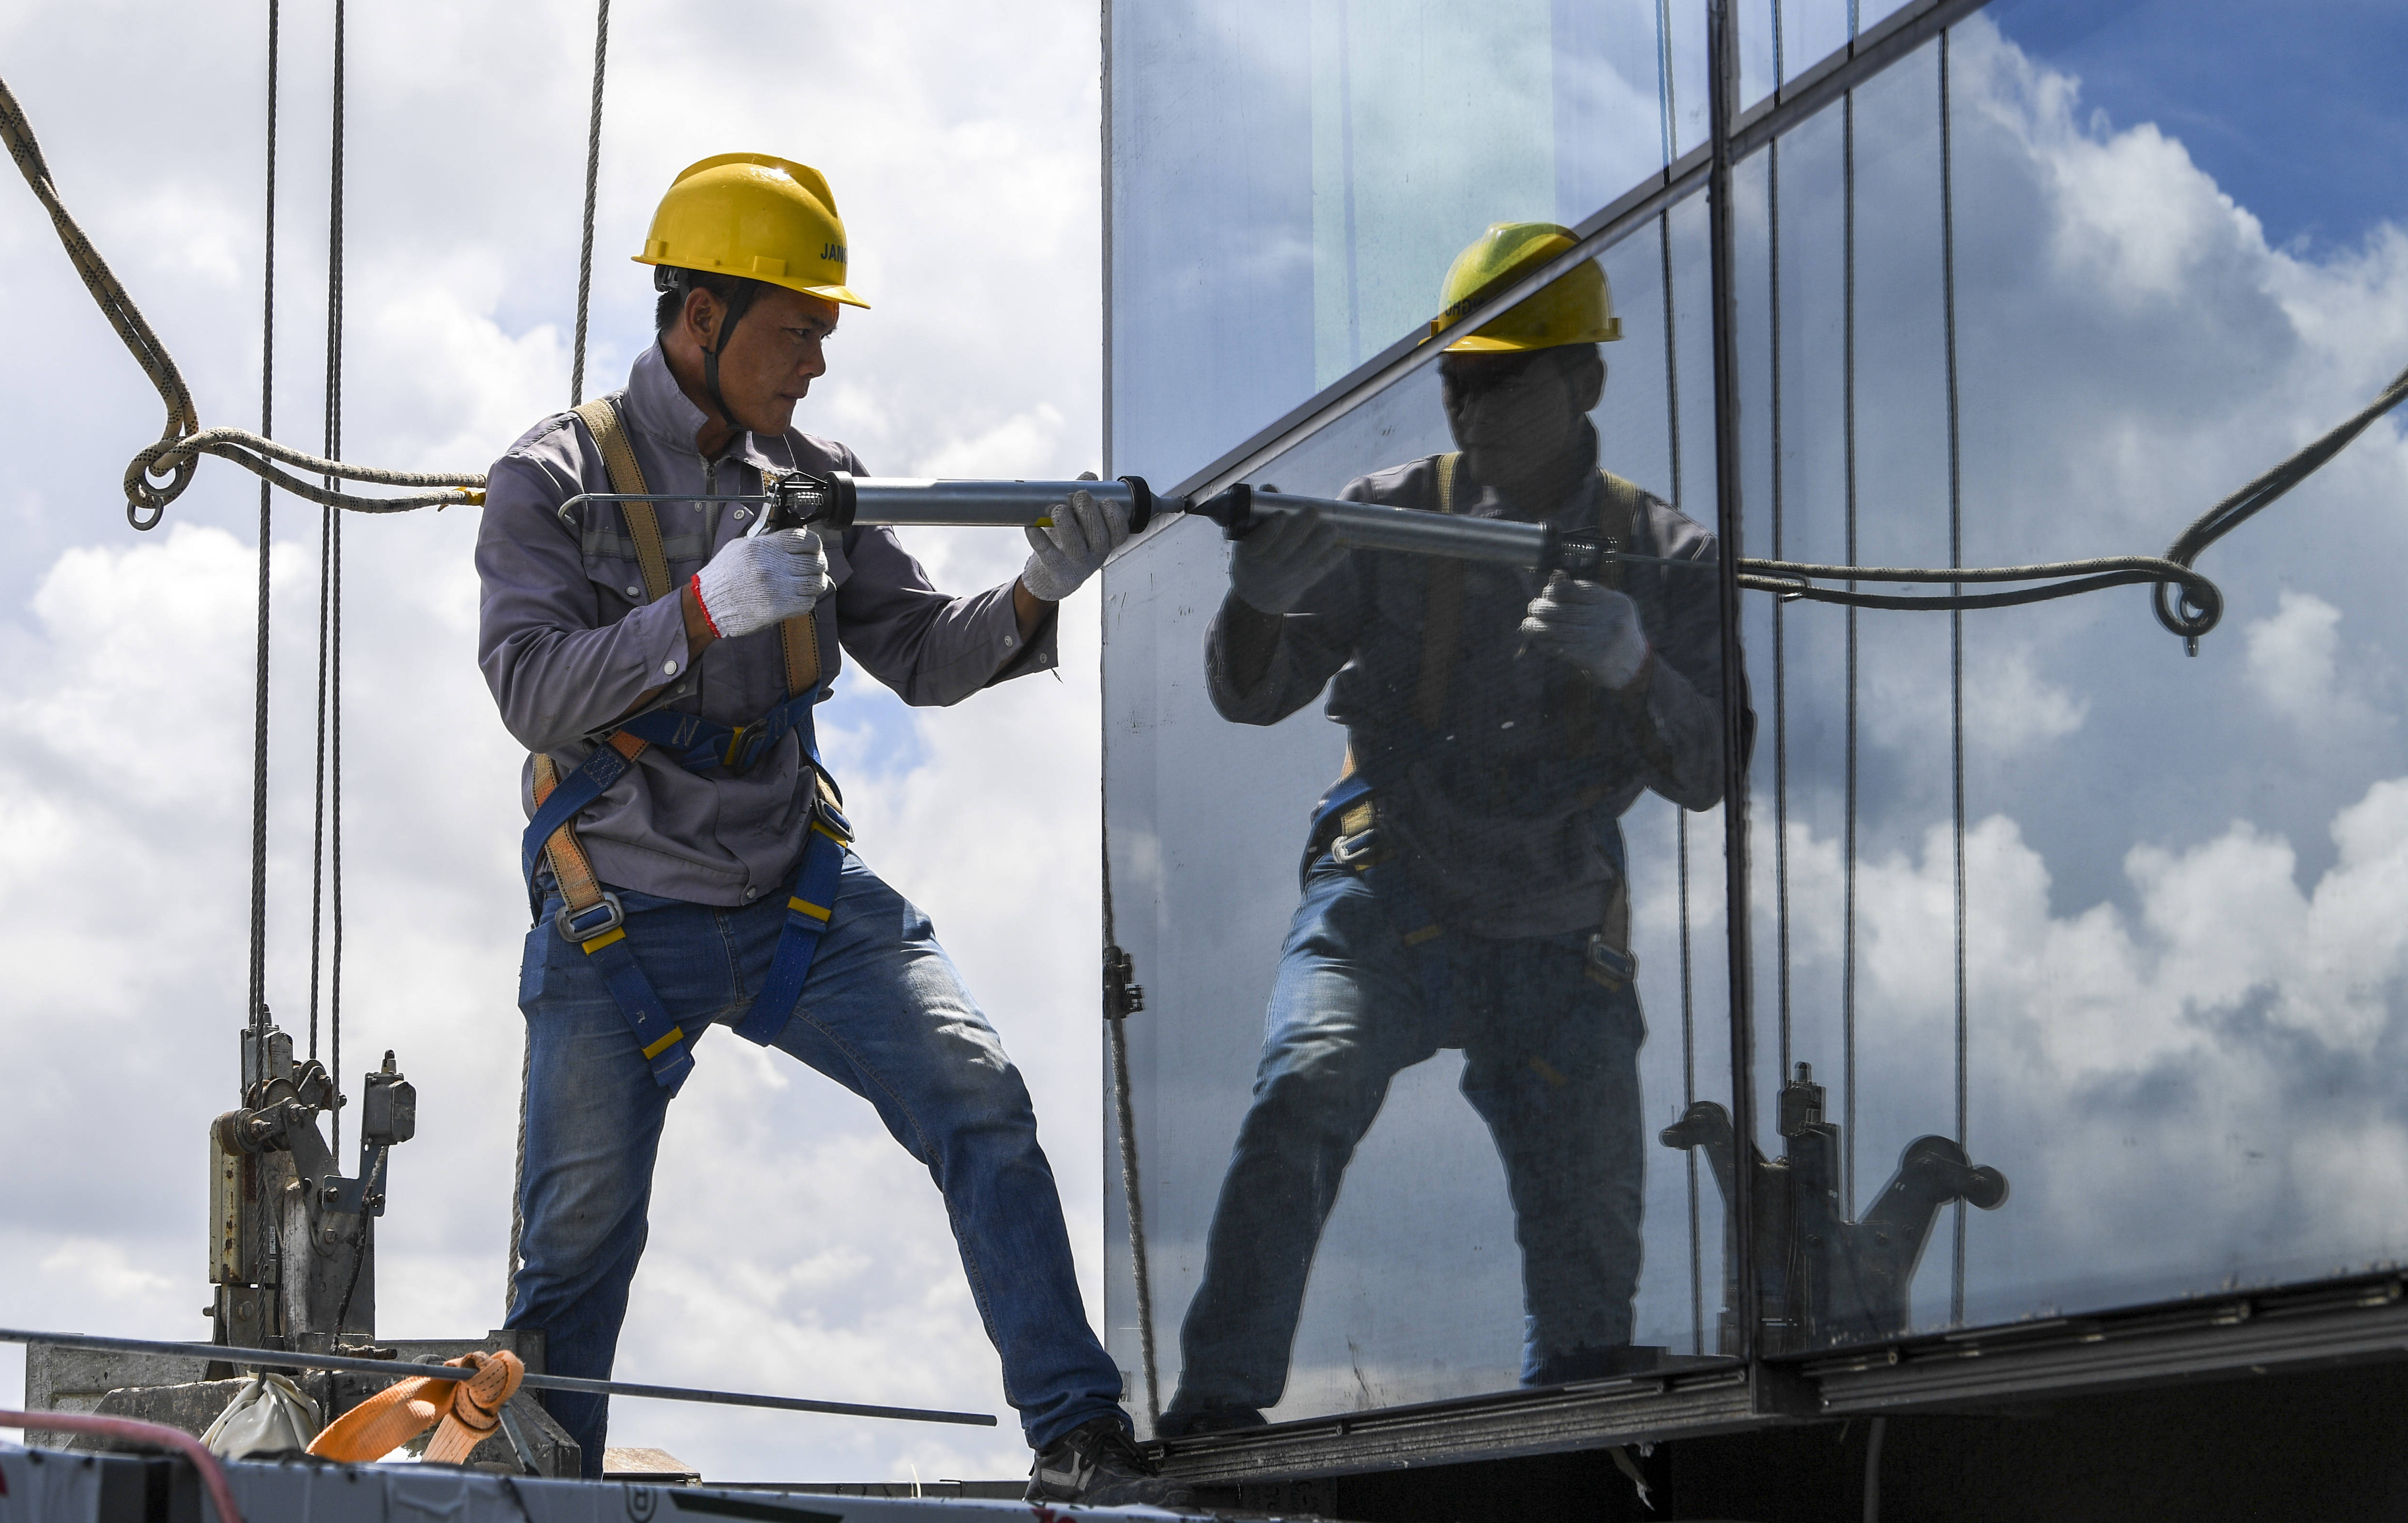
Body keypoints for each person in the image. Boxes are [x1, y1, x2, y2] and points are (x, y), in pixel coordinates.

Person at [477, 152, 1182, 1506]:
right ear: (701, 319)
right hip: (617, 903)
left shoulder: (817, 475)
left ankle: (1078, 1429)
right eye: (797, 328)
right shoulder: (556, 479)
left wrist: (1039, 588)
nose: (815, 364)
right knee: (573, 1249)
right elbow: (531, 691)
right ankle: (549, 1499)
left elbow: (923, 656)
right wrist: (701, 610)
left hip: (797, 899)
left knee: (978, 1100)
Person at [1155, 222, 1734, 1437]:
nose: (1472, 411)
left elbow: (1712, 766)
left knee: (1592, 1231)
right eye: (1457, 382)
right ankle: (1216, 1410)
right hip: (1393, 892)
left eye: (1501, 380)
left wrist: (1635, 667)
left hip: (1559, 918)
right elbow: (1253, 693)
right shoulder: (1390, 518)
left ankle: (1574, 1442)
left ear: (1584, 381)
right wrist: (1254, 602)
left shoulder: (1666, 555)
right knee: (1306, 1084)